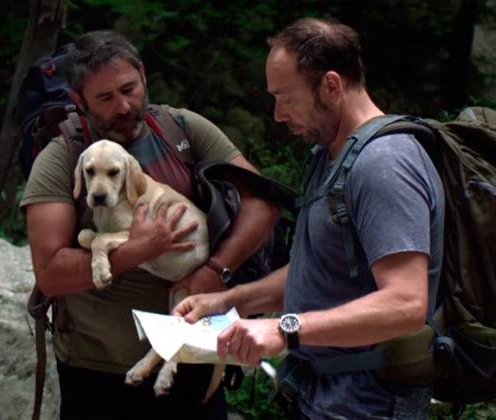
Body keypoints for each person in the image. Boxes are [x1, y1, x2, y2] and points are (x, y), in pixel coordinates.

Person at [174, 17, 445, 419]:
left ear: (331, 86)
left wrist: (283, 329)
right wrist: (229, 300)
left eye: (286, 97)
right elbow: (316, 269)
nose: (277, 115)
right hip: (323, 392)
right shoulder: (331, 156)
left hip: (371, 403)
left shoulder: (384, 165)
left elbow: (405, 303)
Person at [20, 30, 279, 420]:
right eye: (105, 98)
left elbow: (263, 202)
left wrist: (215, 270)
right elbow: (51, 274)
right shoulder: (64, 157)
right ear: (79, 100)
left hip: (192, 356)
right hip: (98, 373)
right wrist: (140, 248)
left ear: (143, 75)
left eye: (130, 88)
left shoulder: (182, 130)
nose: (124, 106)